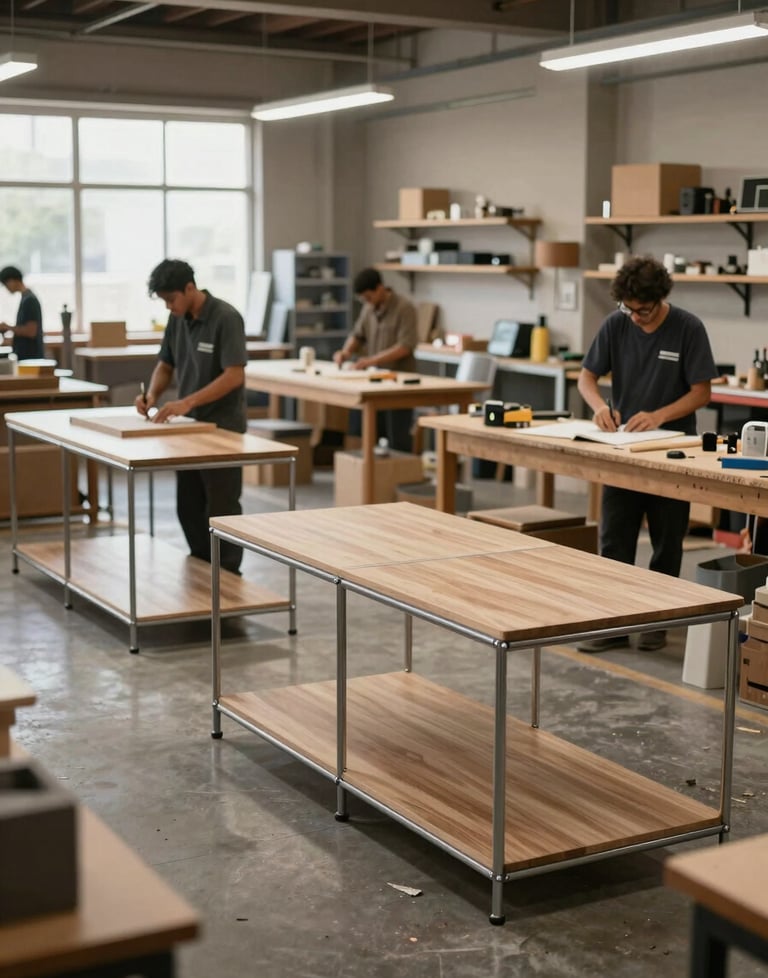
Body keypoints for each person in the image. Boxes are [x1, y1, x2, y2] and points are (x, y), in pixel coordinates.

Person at [576, 255, 717, 653]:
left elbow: (701, 391)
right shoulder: (616, 324)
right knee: (614, 539)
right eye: (629, 309)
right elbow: (587, 376)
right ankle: (615, 623)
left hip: (673, 451)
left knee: (666, 540)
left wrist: (659, 416)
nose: (635, 317)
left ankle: (659, 619)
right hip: (624, 450)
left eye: (643, 310)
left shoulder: (688, 328)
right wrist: (599, 407)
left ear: (660, 299)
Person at [135, 259, 247, 575]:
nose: (169, 307)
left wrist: (187, 402)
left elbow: (234, 375)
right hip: (187, 429)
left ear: (189, 288)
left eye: (172, 300)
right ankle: (201, 566)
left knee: (222, 506)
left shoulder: (225, 317)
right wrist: (153, 395)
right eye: (165, 302)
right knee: (189, 505)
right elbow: (165, 364)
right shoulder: (178, 318)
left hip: (223, 428)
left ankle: (227, 573)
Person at [333, 267, 418, 453]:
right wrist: (345, 352)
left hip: (399, 385)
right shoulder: (369, 309)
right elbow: (357, 334)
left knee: (398, 438)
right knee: (366, 432)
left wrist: (370, 361)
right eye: (364, 300)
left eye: (369, 297)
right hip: (375, 383)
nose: (367, 302)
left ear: (380, 288)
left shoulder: (404, 308)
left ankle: (399, 475)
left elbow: (405, 346)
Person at [0, 266, 44, 360]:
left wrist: (7, 327)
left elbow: (31, 331)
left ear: (12, 280)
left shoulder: (29, 300)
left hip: (31, 358)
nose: (6, 288)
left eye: (5, 284)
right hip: (26, 357)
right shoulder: (24, 298)